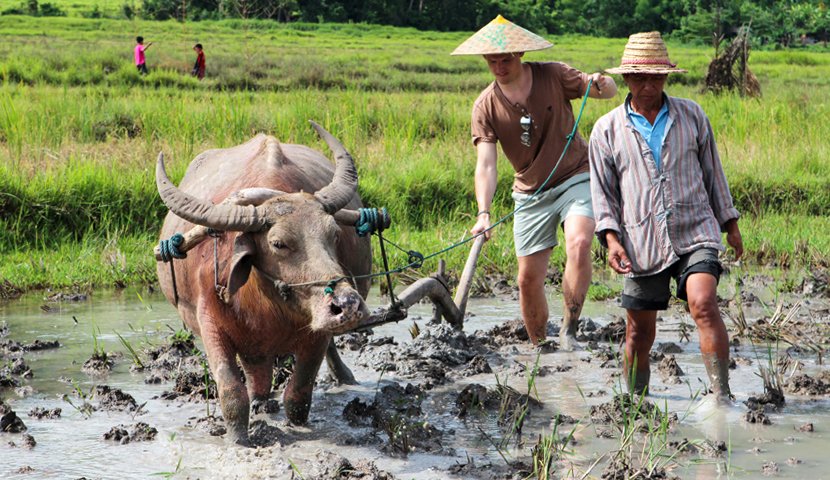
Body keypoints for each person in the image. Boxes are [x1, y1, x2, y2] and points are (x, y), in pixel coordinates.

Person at [588, 32, 743, 403]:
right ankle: (635, 404)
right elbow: (603, 194)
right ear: (626, 78)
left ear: (667, 78)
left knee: (703, 303)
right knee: (638, 333)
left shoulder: (692, 115)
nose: (647, 86)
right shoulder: (607, 130)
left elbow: (713, 172)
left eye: (656, 78)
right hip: (640, 241)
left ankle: (721, 398)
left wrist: (730, 224)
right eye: (639, 78)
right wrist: (612, 240)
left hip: (696, 229)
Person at [451, 15, 618, 350]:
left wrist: (603, 82)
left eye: (506, 59)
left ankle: (570, 330)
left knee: (580, 243)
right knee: (527, 281)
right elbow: (486, 164)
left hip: (576, 175)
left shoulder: (553, 74)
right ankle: (541, 348)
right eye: (493, 60)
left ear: (521, 55)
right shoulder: (484, 106)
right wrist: (483, 212)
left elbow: (606, 91)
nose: (499, 66)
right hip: (530, 191)